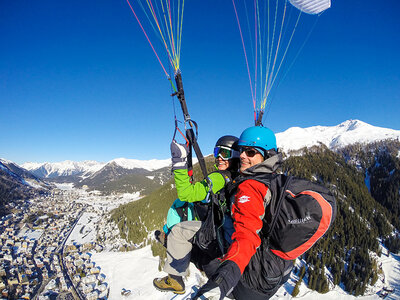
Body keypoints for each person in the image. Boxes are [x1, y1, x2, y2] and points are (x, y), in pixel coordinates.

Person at [193, 126, 294, 300]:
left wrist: (224, 278)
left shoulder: (250, 187)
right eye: (241, 150)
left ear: (267, 156)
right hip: (276, 273)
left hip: (249, 283)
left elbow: (247, 235)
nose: (241, 156)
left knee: (201, 253)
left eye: (250, 152)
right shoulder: (275, 181)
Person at [153, 135, 240, 294]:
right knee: (191, 209)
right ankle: (172, 240)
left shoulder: (220, 177)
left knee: (179, 223)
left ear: (235, 156)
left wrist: (179, 162)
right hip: (228, 232)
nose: (219, 158)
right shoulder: (236, 176)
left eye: (225, 154)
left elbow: (186, 194)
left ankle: (175, 277)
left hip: (220, 236)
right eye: (216, 152)